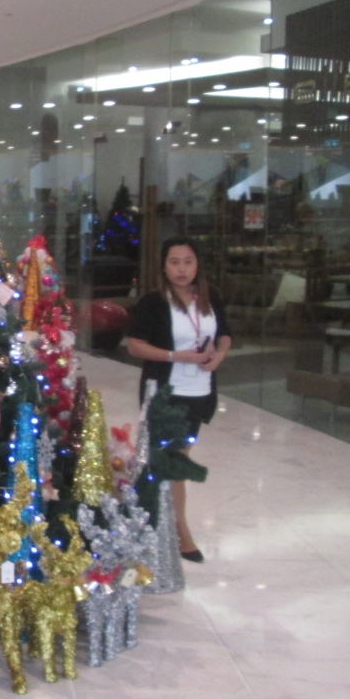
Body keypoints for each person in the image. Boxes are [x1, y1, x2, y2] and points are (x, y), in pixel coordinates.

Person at [125, 236, 232, 563]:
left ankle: (152, 524)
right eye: (174, 262)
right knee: (173, 463)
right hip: (166, 393)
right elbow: (135, 345)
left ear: (198, 264)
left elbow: (225, 334)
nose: (181, 269)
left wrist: (219, 355)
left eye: (188, 262)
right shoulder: (154, 302)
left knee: (173, 461)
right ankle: (179, 532)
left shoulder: (210, 297)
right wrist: (177, 355)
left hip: (199, 393)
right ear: (164, 266)